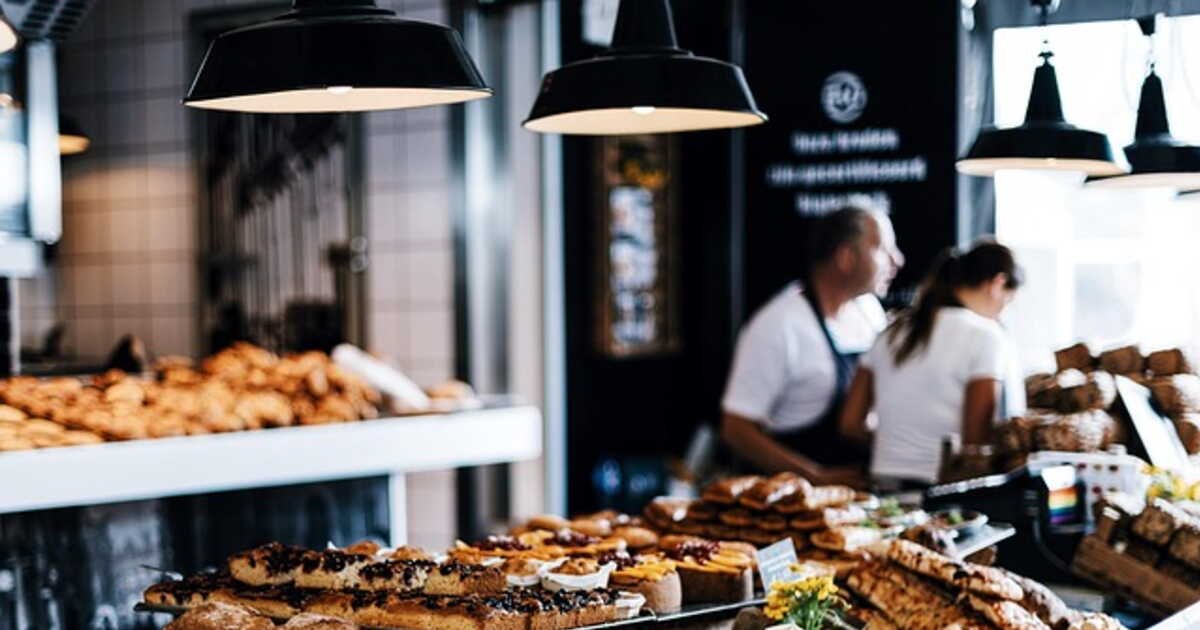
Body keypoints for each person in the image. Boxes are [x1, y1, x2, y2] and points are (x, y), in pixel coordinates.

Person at [720, 205, 905, 484]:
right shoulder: (779, 325)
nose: (897, 260)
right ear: (846, 257)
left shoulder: (869, 311)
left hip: (861, 493)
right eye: (882, 249)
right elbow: (736, 429)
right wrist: (815, 477)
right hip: (794, 498)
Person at [838, 241, 1025, 487]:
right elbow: (975, 443)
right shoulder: (986, 336)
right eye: (1008, 302)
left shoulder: (891, 332)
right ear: (997, 284)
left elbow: (850, 424)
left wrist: (899, 446)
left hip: (883, 484)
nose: (1002, 312)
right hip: (943, 490)